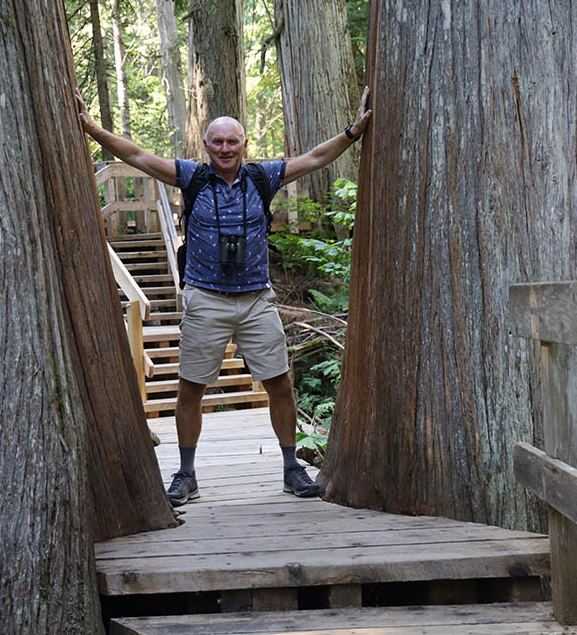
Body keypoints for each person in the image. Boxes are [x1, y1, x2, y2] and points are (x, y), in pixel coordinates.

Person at [77, 89, 372, 505]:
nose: (225, 148)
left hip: (255, 300)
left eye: (232, 141)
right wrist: (92, 129)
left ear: (244, 143)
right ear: (206, 145)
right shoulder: (192, 178)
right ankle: (186, 473)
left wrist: (353, 132)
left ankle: (291, 468)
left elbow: (316, 158)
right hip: (206, 299)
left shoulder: (261, 177)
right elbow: (139, 156)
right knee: (190, 388)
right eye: (217, 141)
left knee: (280, 383)